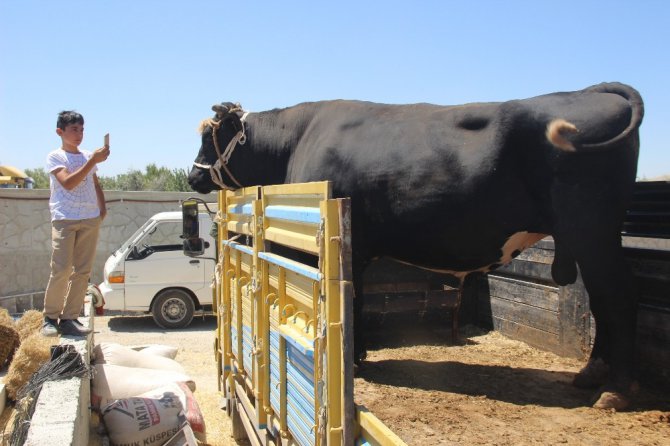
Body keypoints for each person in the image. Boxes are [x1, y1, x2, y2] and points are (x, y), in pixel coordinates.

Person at [42, 110, 110, 337]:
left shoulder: (88, 155)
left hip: (90, 218)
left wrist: (102, 208)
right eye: (74, 129)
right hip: (64, 218)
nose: (79, 134)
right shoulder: (56, 156)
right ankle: (50, 317)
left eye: (81, 129)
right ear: (60, 132)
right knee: (61, 269)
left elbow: (95, 183)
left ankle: (70, 318)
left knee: (82, 271)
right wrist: (93, 160)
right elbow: (68, 183)